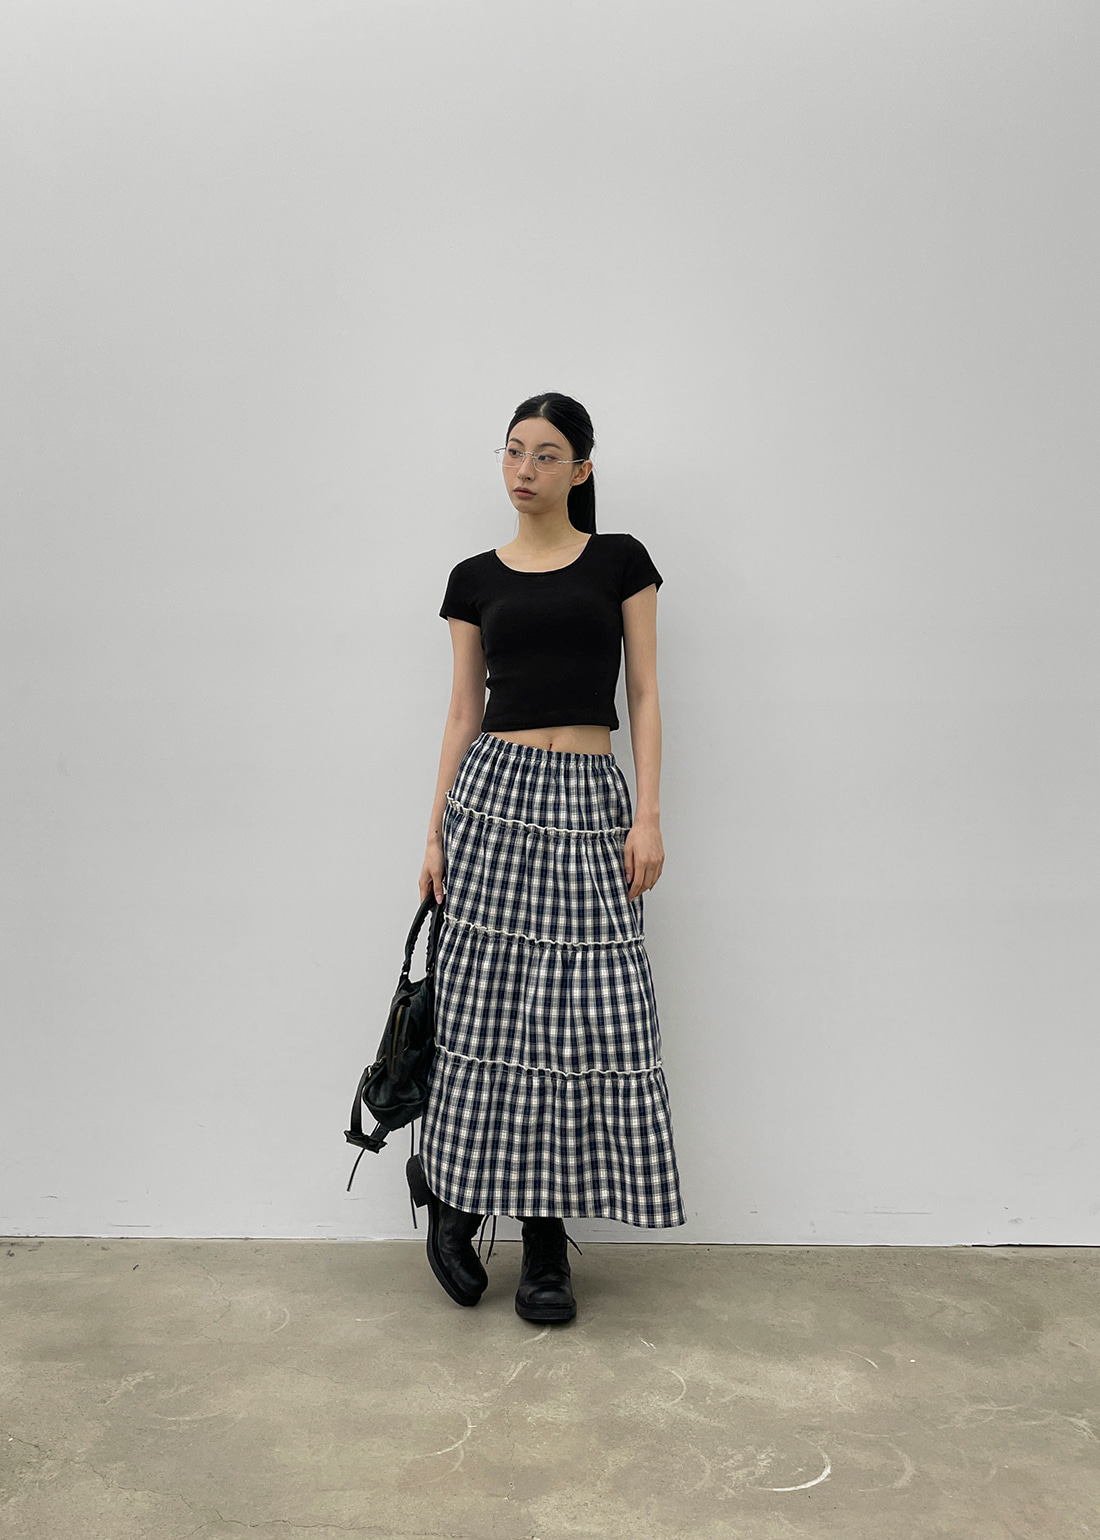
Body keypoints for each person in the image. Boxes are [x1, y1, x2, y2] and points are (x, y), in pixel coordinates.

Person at [408, 392, 685, 1324]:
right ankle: (455, 1201)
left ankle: (542, 1239)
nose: (525, 469)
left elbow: (644, 695)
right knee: (485, 1014)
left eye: (547, 454)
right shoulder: (472, 578)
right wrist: (435, 832)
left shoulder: (620, 562)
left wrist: (646, 814)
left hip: (589, 802)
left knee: (581, 1022)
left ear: (582, 469)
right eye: (513, 451)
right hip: (494, 800)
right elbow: (462, 713)